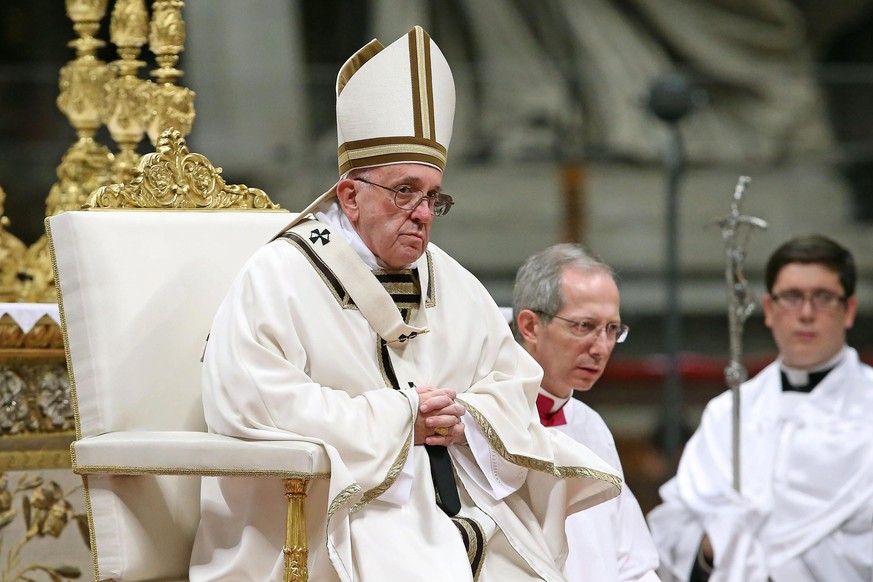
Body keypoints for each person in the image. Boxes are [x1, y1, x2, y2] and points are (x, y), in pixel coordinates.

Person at [189, 26, 621, 582]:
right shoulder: (278, 277)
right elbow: (249, 405)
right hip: (328, 515)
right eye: (403, 191)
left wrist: (468, 418)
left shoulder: (451, 280)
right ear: (350, 194)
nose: (421, 212)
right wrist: (402, 418)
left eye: (433, 197)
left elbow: (513, 384)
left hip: (453, 510)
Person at [647, 234, 873, 582]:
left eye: (824, 298)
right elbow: (672, 527)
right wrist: (713, 545)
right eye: (792, 297)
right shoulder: (729, 413)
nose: (806, 314)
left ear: (850, 310)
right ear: (768, 309)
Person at [513, 243, 661, 582]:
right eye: (584, 326)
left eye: (612, 330)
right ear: (531, 326)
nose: (601, 348)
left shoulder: (592, 427)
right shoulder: (483, 420)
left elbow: (631, 560)